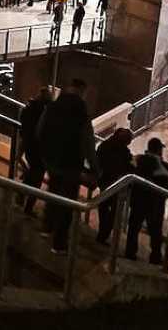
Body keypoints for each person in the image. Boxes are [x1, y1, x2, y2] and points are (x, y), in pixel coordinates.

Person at [37, 78, 98, 254]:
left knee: (53, 192)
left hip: (52, 159)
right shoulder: (81, 111)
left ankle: (46, 227)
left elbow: (40, 131)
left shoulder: (53, 106)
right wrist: (94, 167)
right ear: (82, 91)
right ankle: (59, 243)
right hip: (71, 163)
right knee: (67, 202)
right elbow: (87, 141)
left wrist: (45, 154)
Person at [126, 138, 168, 265]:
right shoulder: (164, 166)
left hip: (138, 200)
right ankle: (156, 257)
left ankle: (130, 252)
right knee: (155, 231)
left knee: (134, 227)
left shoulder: (138, 159)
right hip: (155, 203)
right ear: (159, 150)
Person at [95, 128, 134, 245]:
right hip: (115, 183)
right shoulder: (124, 152)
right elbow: (129, 166)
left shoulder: (104, 145)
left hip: (104, 181)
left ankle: (103, 232)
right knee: (114, 210)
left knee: (104, 206)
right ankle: (103, 233)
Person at [19, 87, 53, 216]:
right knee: (37, 178)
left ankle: (21, 195)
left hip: (29, 146)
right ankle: (28, 207)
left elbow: (24, 127)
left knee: (32, 173)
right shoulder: (46, 112)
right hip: (40, 149)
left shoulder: (29, 108)